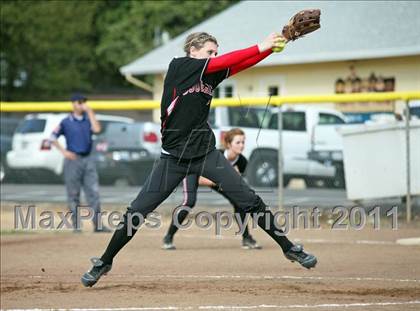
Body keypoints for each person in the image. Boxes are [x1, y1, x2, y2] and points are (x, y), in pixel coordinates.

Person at [81, 31, 317, 288]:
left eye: (216, 52)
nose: (214, 56)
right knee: (137, 211)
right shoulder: (179, 66)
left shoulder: (209, 73)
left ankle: (289, 248)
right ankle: (104, 261)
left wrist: (272, 48)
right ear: (193, 50)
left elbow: (238, 64)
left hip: (205, 153)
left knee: (249, 200)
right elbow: (223, 61)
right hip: (173, 158)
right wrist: (262, 44)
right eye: (209, 51)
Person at [162, 128, 261, 250]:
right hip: (193, 173)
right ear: (229, 144)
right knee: (189, 202)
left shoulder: (242, 161)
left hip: (217, 181)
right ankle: (168, 236)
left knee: (239, 201)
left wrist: (231, 179)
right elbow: (201, 179)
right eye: (238, 142)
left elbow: (235, 184)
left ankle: (246, 238)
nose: (241, 145)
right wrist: (222, 179)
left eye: (243, 142)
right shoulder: (217, 156)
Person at [50, 94, 110, 233]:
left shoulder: (87, 120)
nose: (82, 104)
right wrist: (64, 152)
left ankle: (98, 225)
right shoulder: (66, 121)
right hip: (73, 160)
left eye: (84, 102)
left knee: (93, 192)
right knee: (73, 194)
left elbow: (97, 129)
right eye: (79, 102)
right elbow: (52, 137)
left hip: (88, 159)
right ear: (73, 104)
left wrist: (90, 112)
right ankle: (77, 226)